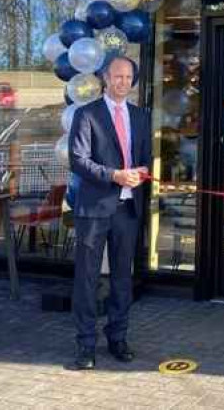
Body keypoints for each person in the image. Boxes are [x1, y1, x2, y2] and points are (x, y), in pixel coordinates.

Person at [66, 55, 149, 371]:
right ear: (104, 78)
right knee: (87, 278)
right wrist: (114, 175)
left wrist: (140, 172)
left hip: (128, 209)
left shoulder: (140, 116)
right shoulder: (87, 114)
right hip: (94, 209)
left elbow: (145, 159)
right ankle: (86, 345)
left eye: (128, 77)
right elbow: (78, 160)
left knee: (121, 279)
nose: (123, 82)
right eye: (118, 76)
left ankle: (118, 337)